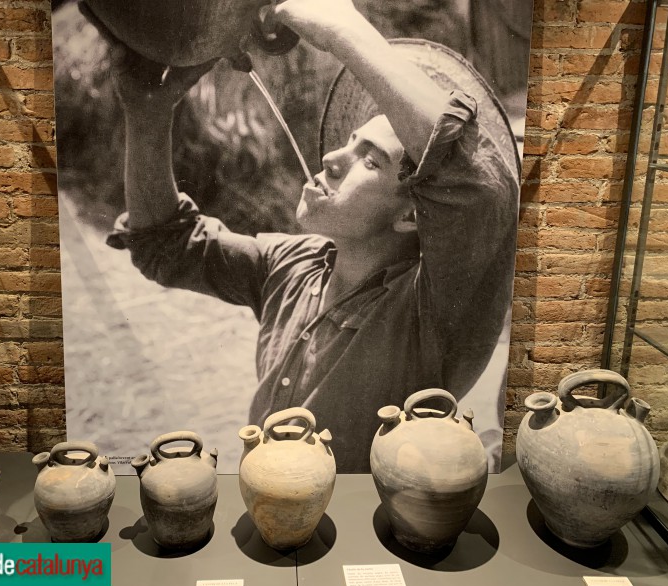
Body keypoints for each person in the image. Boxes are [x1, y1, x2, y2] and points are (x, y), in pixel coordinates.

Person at [104, 0, 519, 472]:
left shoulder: (434, 311)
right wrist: (147, 112)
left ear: (411, 216)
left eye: (370, 159)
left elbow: (478, 185)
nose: (332, 159)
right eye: (348, 141)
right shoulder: (294, 265)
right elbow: (166, 244)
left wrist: (344, 30)